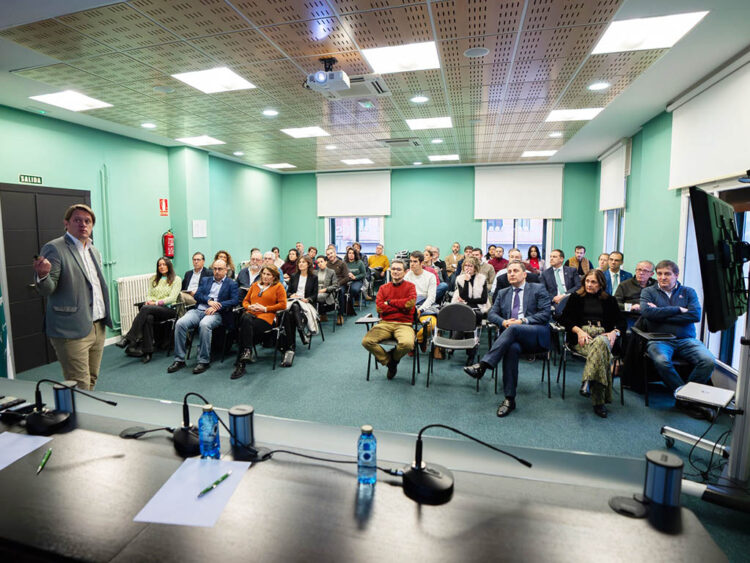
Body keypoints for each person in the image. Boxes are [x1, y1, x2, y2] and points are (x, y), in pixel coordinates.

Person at [32, 203, 112, 390]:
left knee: (91, 379)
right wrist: (43, 275)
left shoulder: (93, 250)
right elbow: (46, 290)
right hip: (71, 330)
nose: (83, 224)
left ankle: (82, 414)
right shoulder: (55, 248)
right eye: (77, 220)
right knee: (79, 384)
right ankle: (77, 418)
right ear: (66, 223)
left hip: (97, 326)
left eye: (88, 221)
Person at [464, 261, 551, 418]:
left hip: (535, 335)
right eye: (509, 271)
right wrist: (503, 322)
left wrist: (522, 321)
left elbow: (545, 314)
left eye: (515, 271)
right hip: (512, 337)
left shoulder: (538, 289)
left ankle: (483, 365)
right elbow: (491, 314)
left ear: (524, 274)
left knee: (514, 328)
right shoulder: (504, 292)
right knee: (511, 348)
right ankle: (509, 399)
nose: (511, 273)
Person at [640, 260, 715, 417]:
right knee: (662, 361)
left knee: (708, 361)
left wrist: (660, 313)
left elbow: (695, 315)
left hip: (686, 339)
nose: (662, 277)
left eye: (667, 274)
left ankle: (684, 398)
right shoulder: (648, 292)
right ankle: (686, 398)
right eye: (659, 273)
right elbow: (647, 314)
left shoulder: (688, 292)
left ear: (676, 275)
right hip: (659, 340)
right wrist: (678, 310)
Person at [559, 269, 626, 418]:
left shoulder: (609, 300)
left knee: (601, 342)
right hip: (583, 339)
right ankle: (599, 402)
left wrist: (615, 332)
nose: (589, 284)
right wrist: (579, 331)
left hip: (604, 336)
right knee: (600, 350)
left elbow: (622, 322)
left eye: (593, 282)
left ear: (601, 283)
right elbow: (564, 319)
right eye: (587, 281)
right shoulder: (576, 297)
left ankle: (588, 380)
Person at [168, 259, 238, 374]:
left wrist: (217, 306)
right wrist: (209, 300)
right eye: (214, 269)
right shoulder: (206, 280)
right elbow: (198, 295)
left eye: (220, 269)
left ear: (226, 270)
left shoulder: (231, 284)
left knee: (204, 324)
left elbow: (235, 301)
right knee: (180, 323)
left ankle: (203, 361)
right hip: (199, 310)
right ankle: (179, 359)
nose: (216, 271)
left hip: (217, 313)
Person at [116, 257, 181, 363]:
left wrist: (155, 303)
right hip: (153, 309)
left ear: (169, 266)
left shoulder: (176, 279)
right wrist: (148, 301)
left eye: (164, 264)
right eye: (159, 265)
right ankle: (148, 352)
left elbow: (172, 298)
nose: (162, 267)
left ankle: (128, 338)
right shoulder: (153, 279)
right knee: (148, 318)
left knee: (146, 308)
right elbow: (148, 295)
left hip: (169, 310)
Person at [361, 260, 417, 380]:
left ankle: (393, 358)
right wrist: (400, 308)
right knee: (367, 341)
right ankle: (390, 362)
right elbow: (380, 308)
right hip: (384, 323)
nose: (395, 272)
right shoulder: (383, 288)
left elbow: (409, 304)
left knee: (407, 344)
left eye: (399, 269)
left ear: (405, 272)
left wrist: (390, 302)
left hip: (404, 324)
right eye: (393, 269)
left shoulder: (410, 287)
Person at [231, 266, 288, 379]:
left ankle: (241, 362)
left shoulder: (278, 287)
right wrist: (249, 306)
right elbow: (245, 301)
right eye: (264, 274)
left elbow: (283, 305)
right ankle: (247, 352)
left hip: (267, 318)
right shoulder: (254, 285)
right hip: (251, 315)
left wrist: (265, 309)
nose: (265, 276)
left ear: (274, 276)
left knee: (244, 327)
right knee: (246, 318)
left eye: (268, 274)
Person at [285, 255, 319, 347]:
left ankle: (301, 333)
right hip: (294, 300)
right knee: (295, 306)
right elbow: (288, 292)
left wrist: (308, 299)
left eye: (303, 262)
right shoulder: (294, 276)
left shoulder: (314, 277)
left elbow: (315, 295)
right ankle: (302, 333)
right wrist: (291, 295)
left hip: (306, 302)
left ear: (308, 264)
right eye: (299, 262)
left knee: (294, 308)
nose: (301, 264)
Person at [541, 249, 580, 317]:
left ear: (561, 259)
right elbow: (543, 291)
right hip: (555, 302)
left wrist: (564, 295)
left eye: (554, 257)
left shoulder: (572, 270)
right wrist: (553, 298)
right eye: (550, 257)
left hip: (570, 298)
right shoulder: (545, 274)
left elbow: (578, 286)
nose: (551, 259)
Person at [452, 257, 490, 324]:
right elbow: (463, 296)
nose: (467, 268)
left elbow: (483, 300)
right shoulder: (460, 279)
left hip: (479, 307)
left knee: (471, 314)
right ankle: (467, 333)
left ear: (475, 268)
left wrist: (468, 300)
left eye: (470, 266)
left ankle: (468, 333)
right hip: (464, 306)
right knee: (462, 314)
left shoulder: (482, 278)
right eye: (466, 265)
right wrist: (466, 281)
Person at [326, 246, 349, 325]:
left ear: (335, 253)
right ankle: (323, 314)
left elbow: (347, 277)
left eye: (331, 253)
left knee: (340, 293)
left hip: (340, 284)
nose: (330, 255)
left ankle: (340, 315)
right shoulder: (327, 264)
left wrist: (338, 284)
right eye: (328, 254)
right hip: (330, 284)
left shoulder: (342, 263)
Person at [315, 255, 338, 321]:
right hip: (316, 291)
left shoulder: (331, 272)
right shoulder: (315, 272)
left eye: (321, 261)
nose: (320, 264)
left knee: (317, 297)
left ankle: (319, 314)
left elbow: (335, 285)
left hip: (327, 292)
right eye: (318, 263)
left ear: (326, 262)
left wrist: (325, 289)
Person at [344, 246, 367, 311]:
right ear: (347, 254)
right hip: (346, 280)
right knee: (341, 290)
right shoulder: (344, 263)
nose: (351, 255)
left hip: (357, 281)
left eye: (353, 253)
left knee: (353, 289)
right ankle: (345, 306)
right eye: (349, 253)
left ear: (355, 254)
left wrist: (355, 277)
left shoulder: (360, 263)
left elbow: (363, 274)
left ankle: (349, 306)